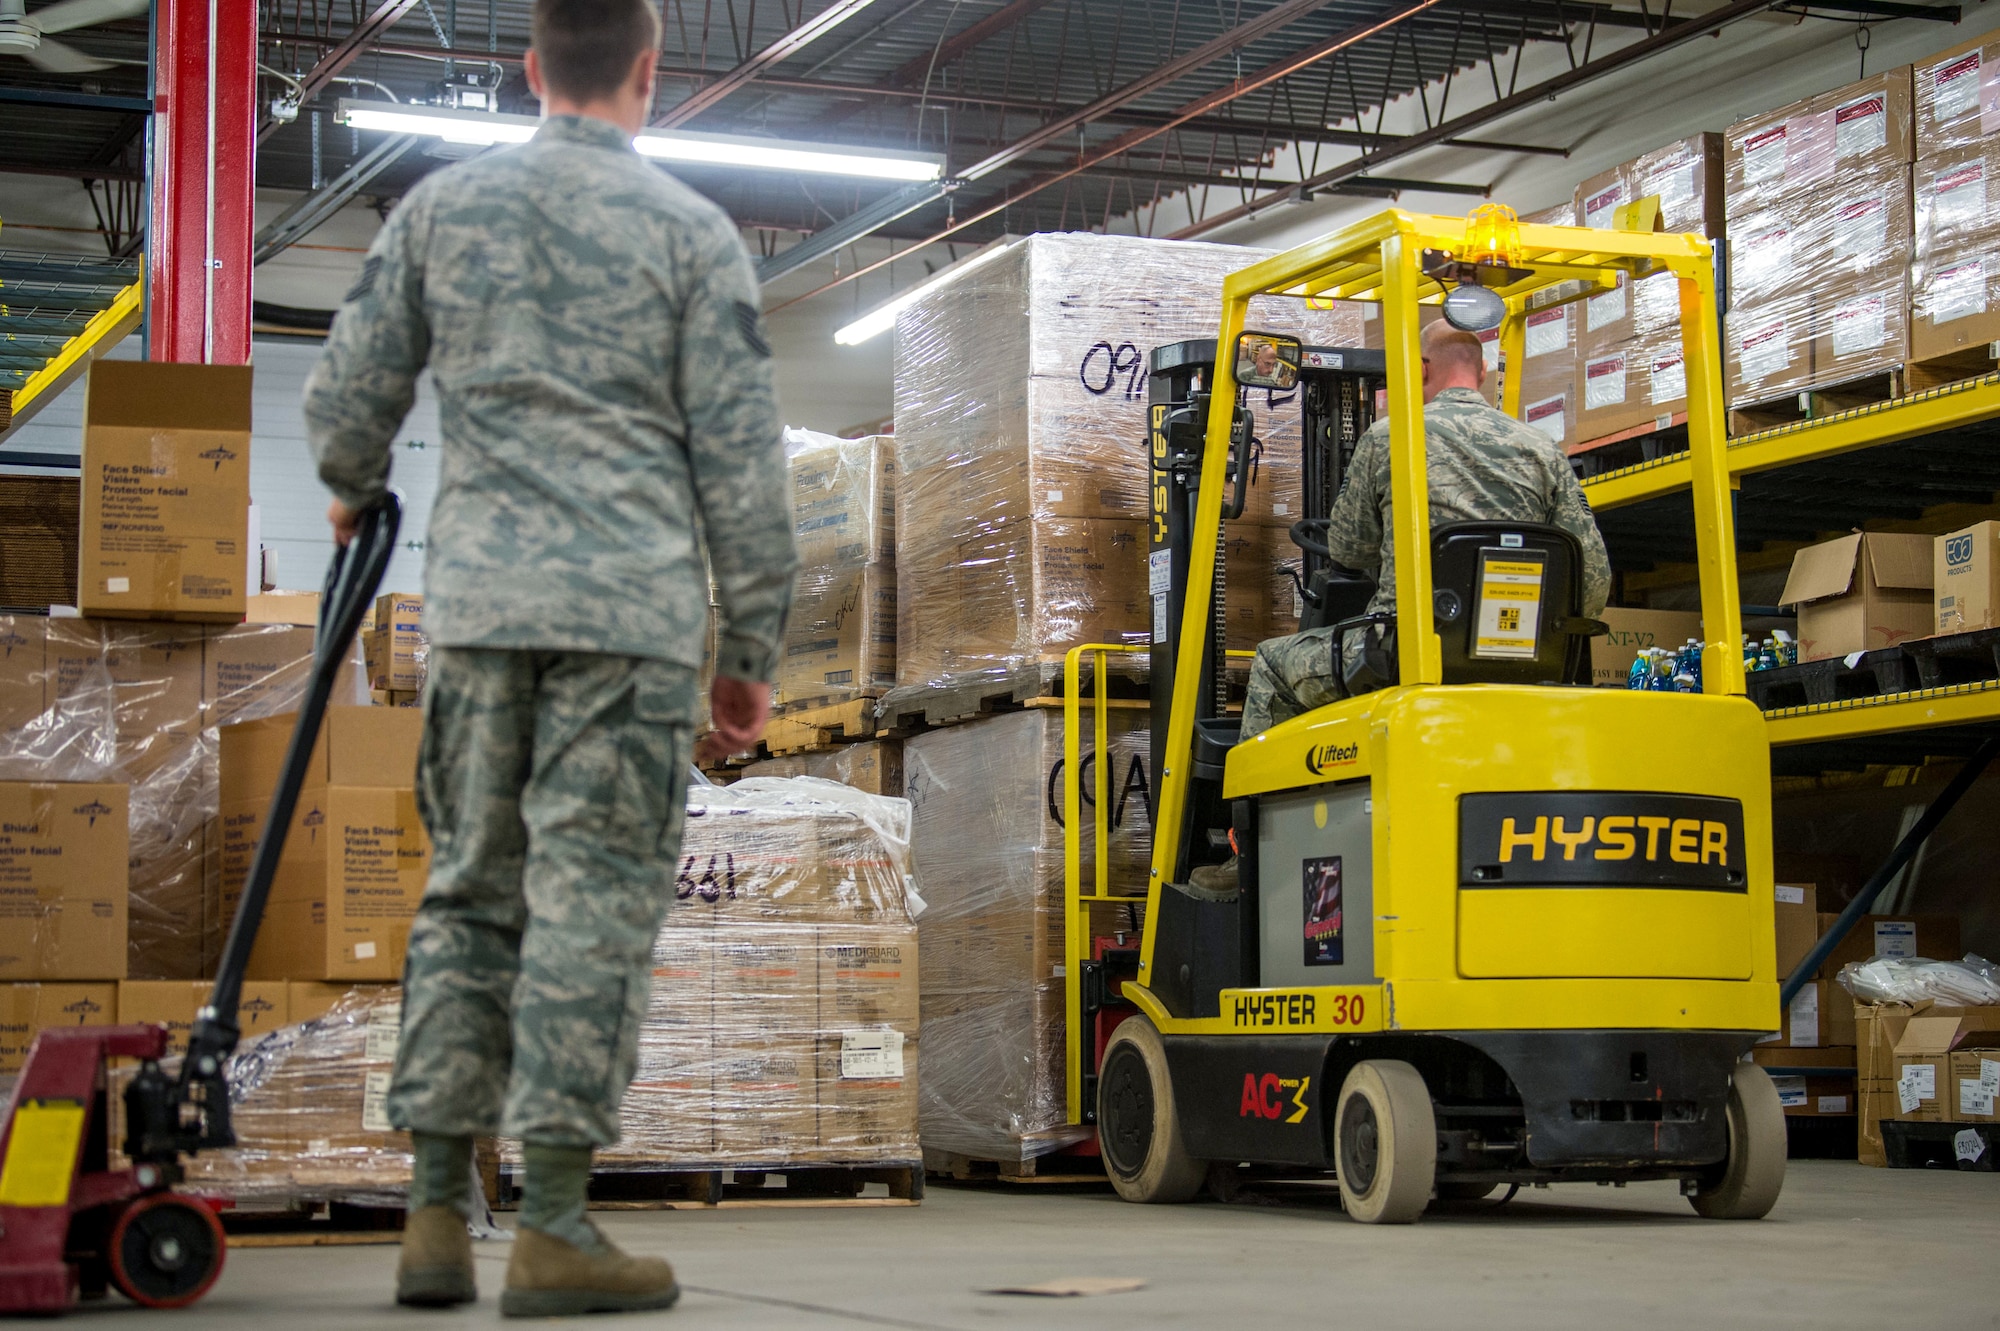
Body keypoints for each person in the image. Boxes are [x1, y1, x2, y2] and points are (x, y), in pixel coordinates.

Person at [303, 0, 795, 1316]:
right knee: (588, 905)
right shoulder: (692, 235)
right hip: (627, 631)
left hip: (479, 614)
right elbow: (743, 465)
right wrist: (746, 648)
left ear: (530, 70)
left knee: (468, 895)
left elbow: (349, 393)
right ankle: (559, 1223)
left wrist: (351, 482)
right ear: (649, 72)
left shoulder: (441, 213)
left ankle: (430, 1216)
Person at [1187, 321, 1609, 895]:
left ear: (1423, 369)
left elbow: (1348, 548)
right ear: (1481, 372)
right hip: (1526, 663)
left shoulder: (1391, 439)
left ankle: (1252, 867)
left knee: (1272, 664)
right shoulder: (1541, 449)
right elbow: (1593, 583)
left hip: (1402, 652)